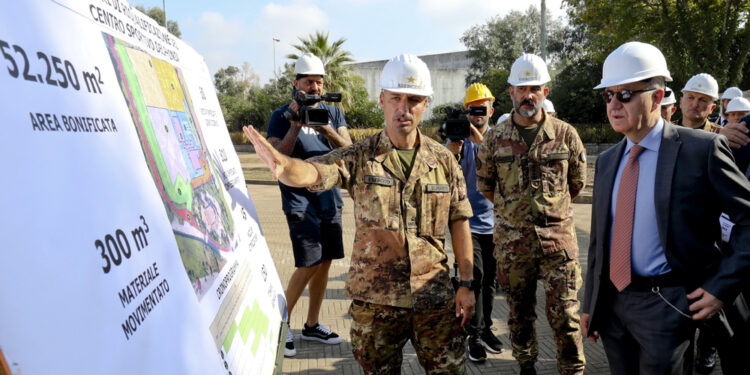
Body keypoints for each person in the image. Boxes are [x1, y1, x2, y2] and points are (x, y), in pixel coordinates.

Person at [244, 53, 476, 374]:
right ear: (382, 100)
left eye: (413, 99)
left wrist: (466, 283)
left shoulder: (444, 160)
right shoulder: (360, 157)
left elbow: (460, 222)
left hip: (433, 299)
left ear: (426, 104)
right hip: (376, 305)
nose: (403, 109)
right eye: (395, 98)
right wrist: (284, 166)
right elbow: (315, 172)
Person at [582, 41, 750, 374]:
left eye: (625, 94)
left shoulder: (700, 150)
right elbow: (600, 243)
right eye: (608, 95)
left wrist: (720, 287)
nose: (614, 105)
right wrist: (590, 302)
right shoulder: (606, 162)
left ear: (658, 97)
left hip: (666, 305)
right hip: (613, 307)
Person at [476, 53, 587, 375]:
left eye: (534, 88)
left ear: (545, 92)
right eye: (521, 89)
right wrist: (516, 213)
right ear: (511, 92)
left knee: (566, 317)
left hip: (558, 244)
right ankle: (526, 366)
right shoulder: (495, 138)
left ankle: (572, 370)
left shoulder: (566, 135)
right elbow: (486, 185)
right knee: (519, 315)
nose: (528, 96)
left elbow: (576, 184)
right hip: (513, 246)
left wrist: (551, 211)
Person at [265, 52, 353, 357]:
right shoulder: (280, 115)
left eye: (319, 82)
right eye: (308, 81)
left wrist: (324, 128)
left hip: (330, 199)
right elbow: (276, 158)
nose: (315, 87)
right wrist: (294, 124)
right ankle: (280, 324)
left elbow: (351, 149)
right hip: (299, 201)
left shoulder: (333, 113)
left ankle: (313, 324)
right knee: (309, 263)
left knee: (326, 260)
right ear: (296, 83)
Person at [445, 83, 504, 362]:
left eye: (482, 108)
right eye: (472, 109)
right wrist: (452, 145)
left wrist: (480, 139)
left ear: (492, 110)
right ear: (465, 111)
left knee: (490, 281)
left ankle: (486, 327)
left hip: (496, 224)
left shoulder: (498, 139)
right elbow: (443, 167)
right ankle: (473, 336)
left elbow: (504, 169)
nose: (478, 114)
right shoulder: (459, 138)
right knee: (475, 279)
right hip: (469, 225)